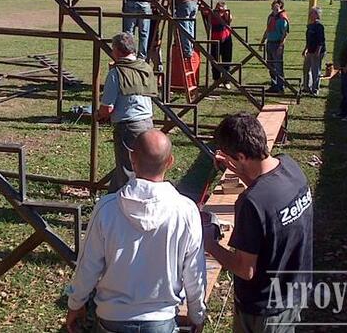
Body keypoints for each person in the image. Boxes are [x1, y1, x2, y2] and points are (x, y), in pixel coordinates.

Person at [65, 129, 207, 333]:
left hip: (111, 318)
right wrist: (197, 314)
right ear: (170, 162)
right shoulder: (186, 211)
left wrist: (75, 303)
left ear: (132, 158)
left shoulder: (107, 208)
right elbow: (195, 271)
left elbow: (87, 265)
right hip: (161, 320)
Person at [204, 113, 313, 333]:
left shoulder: (251, 203)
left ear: (241, 156)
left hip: (264, 312)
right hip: (294, 291)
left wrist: (209, 243)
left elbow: (246, 270)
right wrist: (241, 172)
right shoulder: (290, 167)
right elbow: (267, 196)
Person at [99, 33, 157, 192]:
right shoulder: (145, 67)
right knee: (145, 169)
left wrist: (99, 115)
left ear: (117, 50)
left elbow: (107, 108)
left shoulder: (116, 73)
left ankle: (124, 207)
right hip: (148, 124)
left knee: (127, 171)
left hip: (128, 127)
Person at [202, 1, 233, 87]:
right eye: (218, 8)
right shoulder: (212, 14)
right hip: (215, 40)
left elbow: (230, 18)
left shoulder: (226, 15)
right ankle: (216, 79)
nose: (220, 10)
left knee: (226, 60)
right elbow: (204, 11)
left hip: (226, 39)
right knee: (214, 61)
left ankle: (226, 80)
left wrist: (225, 11)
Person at [264, 0, 289, 93]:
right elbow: (267, 29)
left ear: (280, 6)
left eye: (276, 4)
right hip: (269, 43)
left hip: (277, 44)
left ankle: (280, 86)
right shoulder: (270, 16)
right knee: (270, 66)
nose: (274, 6)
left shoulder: (282, 18)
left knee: (278, 66)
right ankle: (273, 85)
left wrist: (281, 46)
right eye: (273, 4)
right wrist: (263, 41)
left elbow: (285, 33)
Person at [302, 7, 326, 96]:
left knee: (315, 70)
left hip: (317, 51)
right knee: (306, 69)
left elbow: (321, 41)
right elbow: (309, 39)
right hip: (310, 50)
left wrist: (317, 52)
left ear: (316, 15)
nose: (309, 14)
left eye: (312, 13)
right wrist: (305, 49)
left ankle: (315, 89)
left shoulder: (319, 26)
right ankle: (306, 87)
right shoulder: (310, 25)